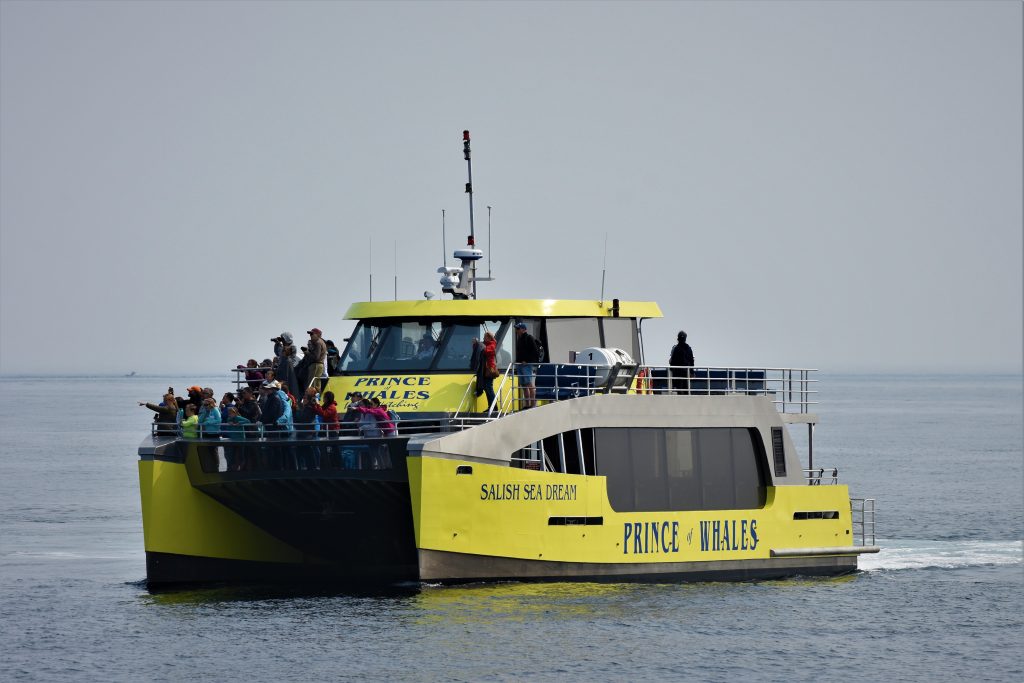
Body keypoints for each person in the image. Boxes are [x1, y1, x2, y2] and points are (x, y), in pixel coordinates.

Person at [514, 322, 540, 409]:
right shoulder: (520, 339)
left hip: (526, 365)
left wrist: (527, 361)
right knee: (524, 385)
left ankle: (533, 404)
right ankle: (527, 404)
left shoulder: (529, 338)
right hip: (520, 364)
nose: (516, 330)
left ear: (523, 329)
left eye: (518, 329)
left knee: (529, 384)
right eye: (516, 329)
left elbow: (535, 351)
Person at [472, 331, 498, 410]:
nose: (483, 338)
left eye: (485, 337)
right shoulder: (486, 344)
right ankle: (491, 406)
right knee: (487, 389)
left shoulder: (492, 344)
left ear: (489, 338)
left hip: (489, 369)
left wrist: (479, 344)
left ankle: (494, 407)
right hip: (485, 369)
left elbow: (485, 351)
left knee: (489, 388)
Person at [669, 330, 695, 395]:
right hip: (686, 372)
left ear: (678, 338)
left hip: (678, 373)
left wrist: (671, 370)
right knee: (686, 390)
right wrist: (692, 372)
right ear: (685, 339)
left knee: (680, 390)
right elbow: (691, 361)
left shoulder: (676, 349)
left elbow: (672, 362)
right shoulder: (688, 348)